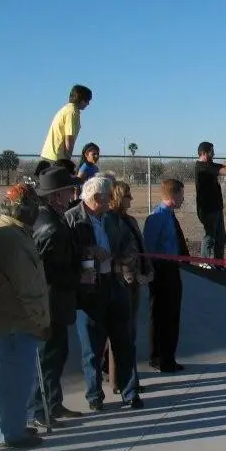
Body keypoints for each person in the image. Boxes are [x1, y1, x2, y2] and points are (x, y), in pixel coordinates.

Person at [64, 175, 141, 410]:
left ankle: (130, 393)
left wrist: (122, 262)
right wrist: (88, 251)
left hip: (114, 284)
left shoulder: (111, 219)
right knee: (92, 347)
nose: (111, 201)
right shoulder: (72, 219)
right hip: (89, 291)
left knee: (123, 342)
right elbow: (64, 254)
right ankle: (95, 397)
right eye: (107, 198)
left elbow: (129, 244)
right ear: (97, 198)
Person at [0, 185, 51, 449]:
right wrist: (41, 322)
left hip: (11, 323)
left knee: (8, 380)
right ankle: (9, 433)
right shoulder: (12, 239)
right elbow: (27, 289)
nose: (37, 211)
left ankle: (8, 427)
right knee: (14, 382)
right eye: (33, 206)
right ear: (21, 208)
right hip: (16, 323)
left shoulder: (13, 232)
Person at [29, 167, 84, 429]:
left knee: (58, 354)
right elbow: (48, 271)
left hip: (57, 301)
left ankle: (53, 402)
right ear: (55, 196)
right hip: (51, 302)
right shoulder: (49, 226)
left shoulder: (52, 218)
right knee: (48, 357)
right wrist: (79, 277)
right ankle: (40, 409)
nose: (73, 193)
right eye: (68, 190)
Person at [105, 181, 153, 396]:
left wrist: (146, 270)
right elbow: (111, 252)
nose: (131, 199)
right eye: (127, 195)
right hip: (120, 283)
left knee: (129, 333)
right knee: (122, 334)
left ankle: (125, 378)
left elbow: (140, 248)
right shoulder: (108, 221)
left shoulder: (130, 220)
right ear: (116, 196)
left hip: (134, 282)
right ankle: (122, 381)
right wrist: (126, 271)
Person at [143, 179, 189, 373]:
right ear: (174, 195)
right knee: (162, 315)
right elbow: (149, 248)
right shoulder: (157, 217)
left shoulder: (169, 216)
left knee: (172, 315)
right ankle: (160, 357)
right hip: (161, 271)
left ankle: (168, 356)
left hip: (172, 268)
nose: (183, 198)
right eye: (181, 194)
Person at [194, 141, 226, 268]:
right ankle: (204, 263)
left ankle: (219, 264)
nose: (214, 153)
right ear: (204, 153)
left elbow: (224, 166)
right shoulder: (203, 167)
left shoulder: (208, 165)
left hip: (216, 207)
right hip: (208, 209)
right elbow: (225, 171)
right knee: (210, 236)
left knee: (221, 237)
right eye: (211, 151)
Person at [39, 84, 93, 164]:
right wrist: (67, 160)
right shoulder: (72, 112)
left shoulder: (68, 109)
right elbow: (69, 137)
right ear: (80, 98)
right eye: (87, 100)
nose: (88, 103)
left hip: (49, 155)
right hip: (56, 158)